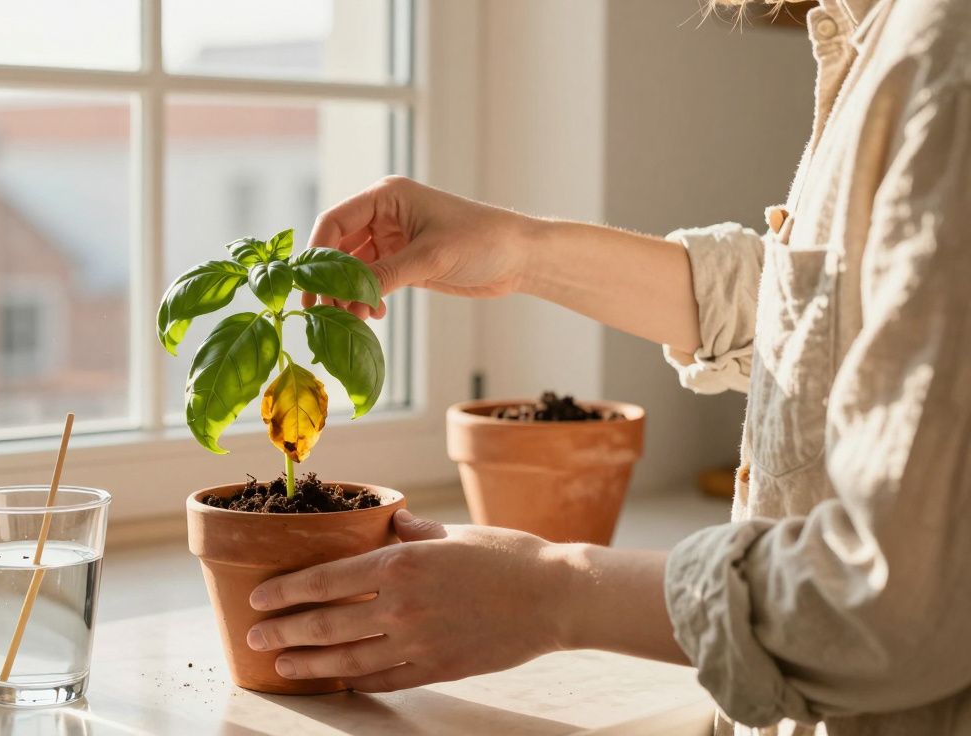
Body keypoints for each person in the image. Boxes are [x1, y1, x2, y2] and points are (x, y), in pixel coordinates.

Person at [243, 0, 971, 734]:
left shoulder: (948, 58)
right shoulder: (881, 35)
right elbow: (817, 307)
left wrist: (548, 593)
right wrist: (521, 250)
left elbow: (897, 601)